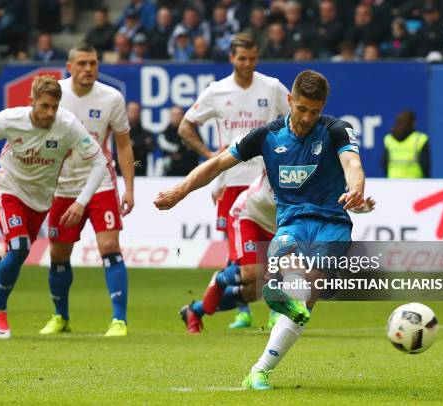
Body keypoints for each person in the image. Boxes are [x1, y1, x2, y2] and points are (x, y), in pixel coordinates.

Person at [155, 70, 365, 390]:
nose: (308, 117)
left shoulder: (337, 130)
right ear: (290, 101)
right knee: (284, 266)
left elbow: (352, 165)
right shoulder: (267, 135)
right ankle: (277, 292)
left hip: (333, 226)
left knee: (306, 297)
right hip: (290, 222)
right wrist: (179, 192)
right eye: (302, 109)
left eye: (315, 110)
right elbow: (217, 164)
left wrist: (356, 189)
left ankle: (260, 368)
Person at [0, 75, 106, 339]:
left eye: (54, 107)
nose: (49, 113)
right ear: (31, 101)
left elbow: (99, 162)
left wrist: (81, 202)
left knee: (13, 255)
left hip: (41, 200)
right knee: (20, 247)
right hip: (9, 190)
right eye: (44, 106)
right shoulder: (11, 119)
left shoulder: (67, 125)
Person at [178, 33, 289, 325]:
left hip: (267, 178)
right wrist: (210, 155)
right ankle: (244, 311)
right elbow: (186, 127)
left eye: (252, 59)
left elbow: (298, 121)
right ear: (231, 58)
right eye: (242, 59)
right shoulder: (217, 91)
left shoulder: (272, 87)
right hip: (231, 178)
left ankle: (263, 308)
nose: (248, 64)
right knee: (239, 255)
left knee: (273, 254)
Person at [179, 170, 376, 333]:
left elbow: (333, 202)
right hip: (250, 214)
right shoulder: (278, 148)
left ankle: (195, 311)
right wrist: (219, 181)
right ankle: (221, 278)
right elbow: (233, 155)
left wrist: (359, 206)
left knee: (255, 290)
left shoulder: (321, 170)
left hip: (281, 225)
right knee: (252, 272)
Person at [40, 44, 135, 337]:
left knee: (109, 246)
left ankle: (119, 320)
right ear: (69, 66)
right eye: (82, 63)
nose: (89, 69)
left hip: (101, 183)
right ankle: (60, 316)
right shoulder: (55, 96)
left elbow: (123, 144)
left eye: (93, 63)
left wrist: (129, 188)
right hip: (62, 186)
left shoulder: (111, 98)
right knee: (58, 253)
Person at [382, 110, 431, 178]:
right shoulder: (420, 139)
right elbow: (425, 165)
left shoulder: (389, 139)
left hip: (393, 182)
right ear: (413, 123)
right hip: (416, 183)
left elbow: (383, 163)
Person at [157, 106, 199, 176]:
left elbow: (198, 148)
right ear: (170, 116)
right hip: (170, 173)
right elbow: (163, 148)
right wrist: (183, 148)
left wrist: (181, 153)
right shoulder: (164, 134)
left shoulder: (192, 131)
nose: (175, 117)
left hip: (189, 172)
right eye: (173, 115)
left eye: (178, 115)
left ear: (183, 116)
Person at [127, 100, 154, 176]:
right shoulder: (121, 133)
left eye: (136, 110)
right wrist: (142, 143)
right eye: (132, 110)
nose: (134, 113)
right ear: (126, 112)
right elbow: (123, 148)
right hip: (123, 167)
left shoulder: (146, 133)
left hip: (140, 166)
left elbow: (151, 148)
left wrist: (133, 143)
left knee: (138, 164)